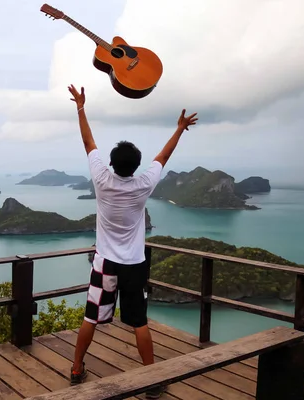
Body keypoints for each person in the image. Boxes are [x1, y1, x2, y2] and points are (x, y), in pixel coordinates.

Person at [67, 84, 198, 399]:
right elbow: (163, 156)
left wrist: (81, 107)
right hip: (134, 266)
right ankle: (151, 382)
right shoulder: (143, 184)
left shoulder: (101, 179)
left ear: (111, 164)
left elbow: (88, 141)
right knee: (139, 322)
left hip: (105, 263)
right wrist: (180, 129)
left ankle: (75, 369)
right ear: (137, 167)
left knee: (91, 317)